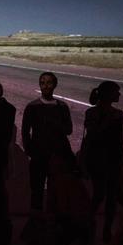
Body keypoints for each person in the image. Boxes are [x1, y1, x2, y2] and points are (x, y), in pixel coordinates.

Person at [21, 72, 73, 211]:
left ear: (55, 85)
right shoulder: (32, 107)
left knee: (56, 191)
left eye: (49, 82)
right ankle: (36, 221)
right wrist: (29, 150)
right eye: (42, 82)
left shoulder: (62, 107)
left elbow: (69, 129)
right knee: (37, 190)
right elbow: (25, 131)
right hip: (39, 154)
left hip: (58, 154)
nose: (45, 86)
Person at [83, 81, 123, 243]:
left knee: (110, 195)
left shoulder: (117, 114)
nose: (119, 95)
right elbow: (92, 134)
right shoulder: (94, 113)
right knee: (101, 193)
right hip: (98, 156)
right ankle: (91, 224)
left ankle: (105, 229)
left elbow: (119, 139)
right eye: (116, 92)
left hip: (110, 156)